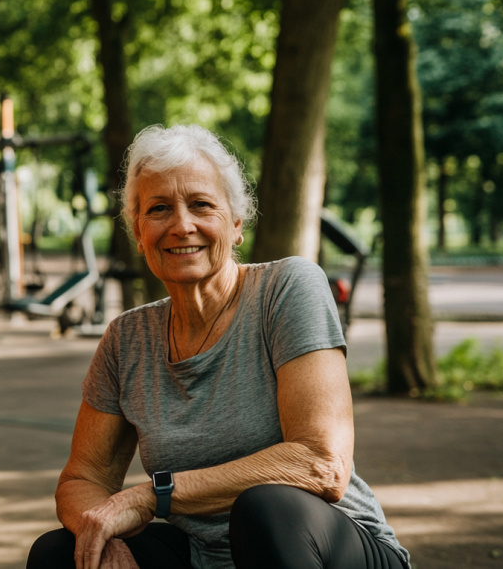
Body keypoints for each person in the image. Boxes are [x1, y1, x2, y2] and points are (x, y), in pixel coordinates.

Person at [27, 124, 409, 569]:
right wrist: (104, 535)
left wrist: (155, 494)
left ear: (236, 223)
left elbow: (320, 462)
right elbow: (82, 478)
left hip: (327, 546)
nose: (181, 225)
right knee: (61, 554)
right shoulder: (126, 340)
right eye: (159, 209)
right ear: (138, 232)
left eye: (201, 205)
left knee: (266, 508)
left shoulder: (286, 288)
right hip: (206, 557)